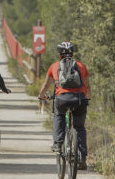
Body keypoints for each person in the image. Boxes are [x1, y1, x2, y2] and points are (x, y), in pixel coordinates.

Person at [37, 41, 90, 170]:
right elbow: (87, 86)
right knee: (79, 127)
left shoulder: (54, 66)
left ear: (59, 54)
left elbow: (46, 86)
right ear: (72, 53)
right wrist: (87, 98)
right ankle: (82, 158)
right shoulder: (81, 66)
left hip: (62, 99)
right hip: (79, 100)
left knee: (59, 115)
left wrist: (41, 95)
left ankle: (58, 142)